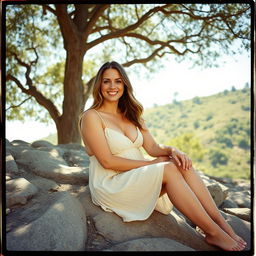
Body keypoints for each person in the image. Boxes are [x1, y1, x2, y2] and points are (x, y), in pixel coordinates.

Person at [79, 61, 246, 251]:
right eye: (106, 81)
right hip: (111, 184)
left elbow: (152, 147)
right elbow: (107, 161)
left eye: (118, 81)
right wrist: (150, 164)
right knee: (168, 167)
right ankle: (213, 233)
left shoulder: (132, 114)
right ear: (99, 85)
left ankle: (222, 225)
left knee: (180, 163)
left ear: (125, 84)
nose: (112, 87)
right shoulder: (91, 117)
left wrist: (173, 150)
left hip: (136, 177)